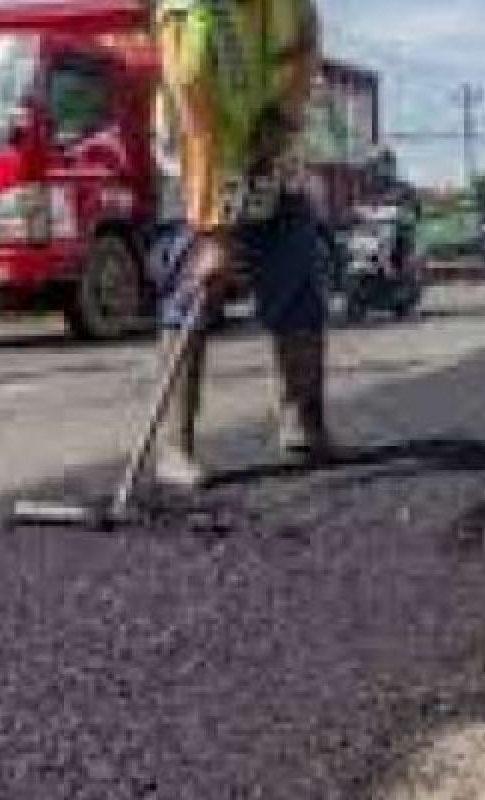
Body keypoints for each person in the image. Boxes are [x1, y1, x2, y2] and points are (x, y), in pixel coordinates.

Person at [151, 0, 331, 490]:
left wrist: (284, 117)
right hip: (196, 160)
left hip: (272, 149)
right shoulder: (189, 16)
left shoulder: (292, 5)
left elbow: (306, 51)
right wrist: (212, 235)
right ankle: (175, 446)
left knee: (297, 275)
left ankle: (304, 424)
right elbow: (198, 131)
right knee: (194, 289)